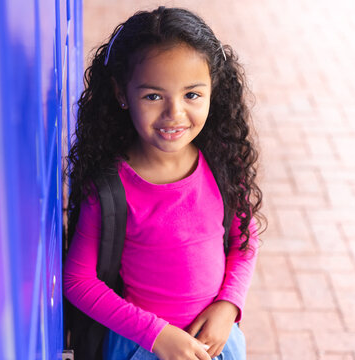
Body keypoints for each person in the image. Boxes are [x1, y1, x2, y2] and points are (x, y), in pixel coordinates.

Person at [63, 6, 264, 360]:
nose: (175, 114)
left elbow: (244, 240)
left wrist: (229, 306)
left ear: (212, 91)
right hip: (141, 346)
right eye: (153, 96)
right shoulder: (111, 187)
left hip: (218, 342)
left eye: (192, 95)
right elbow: (78, 280)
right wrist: (156, 335)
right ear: (122, 93)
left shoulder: (222, 166)